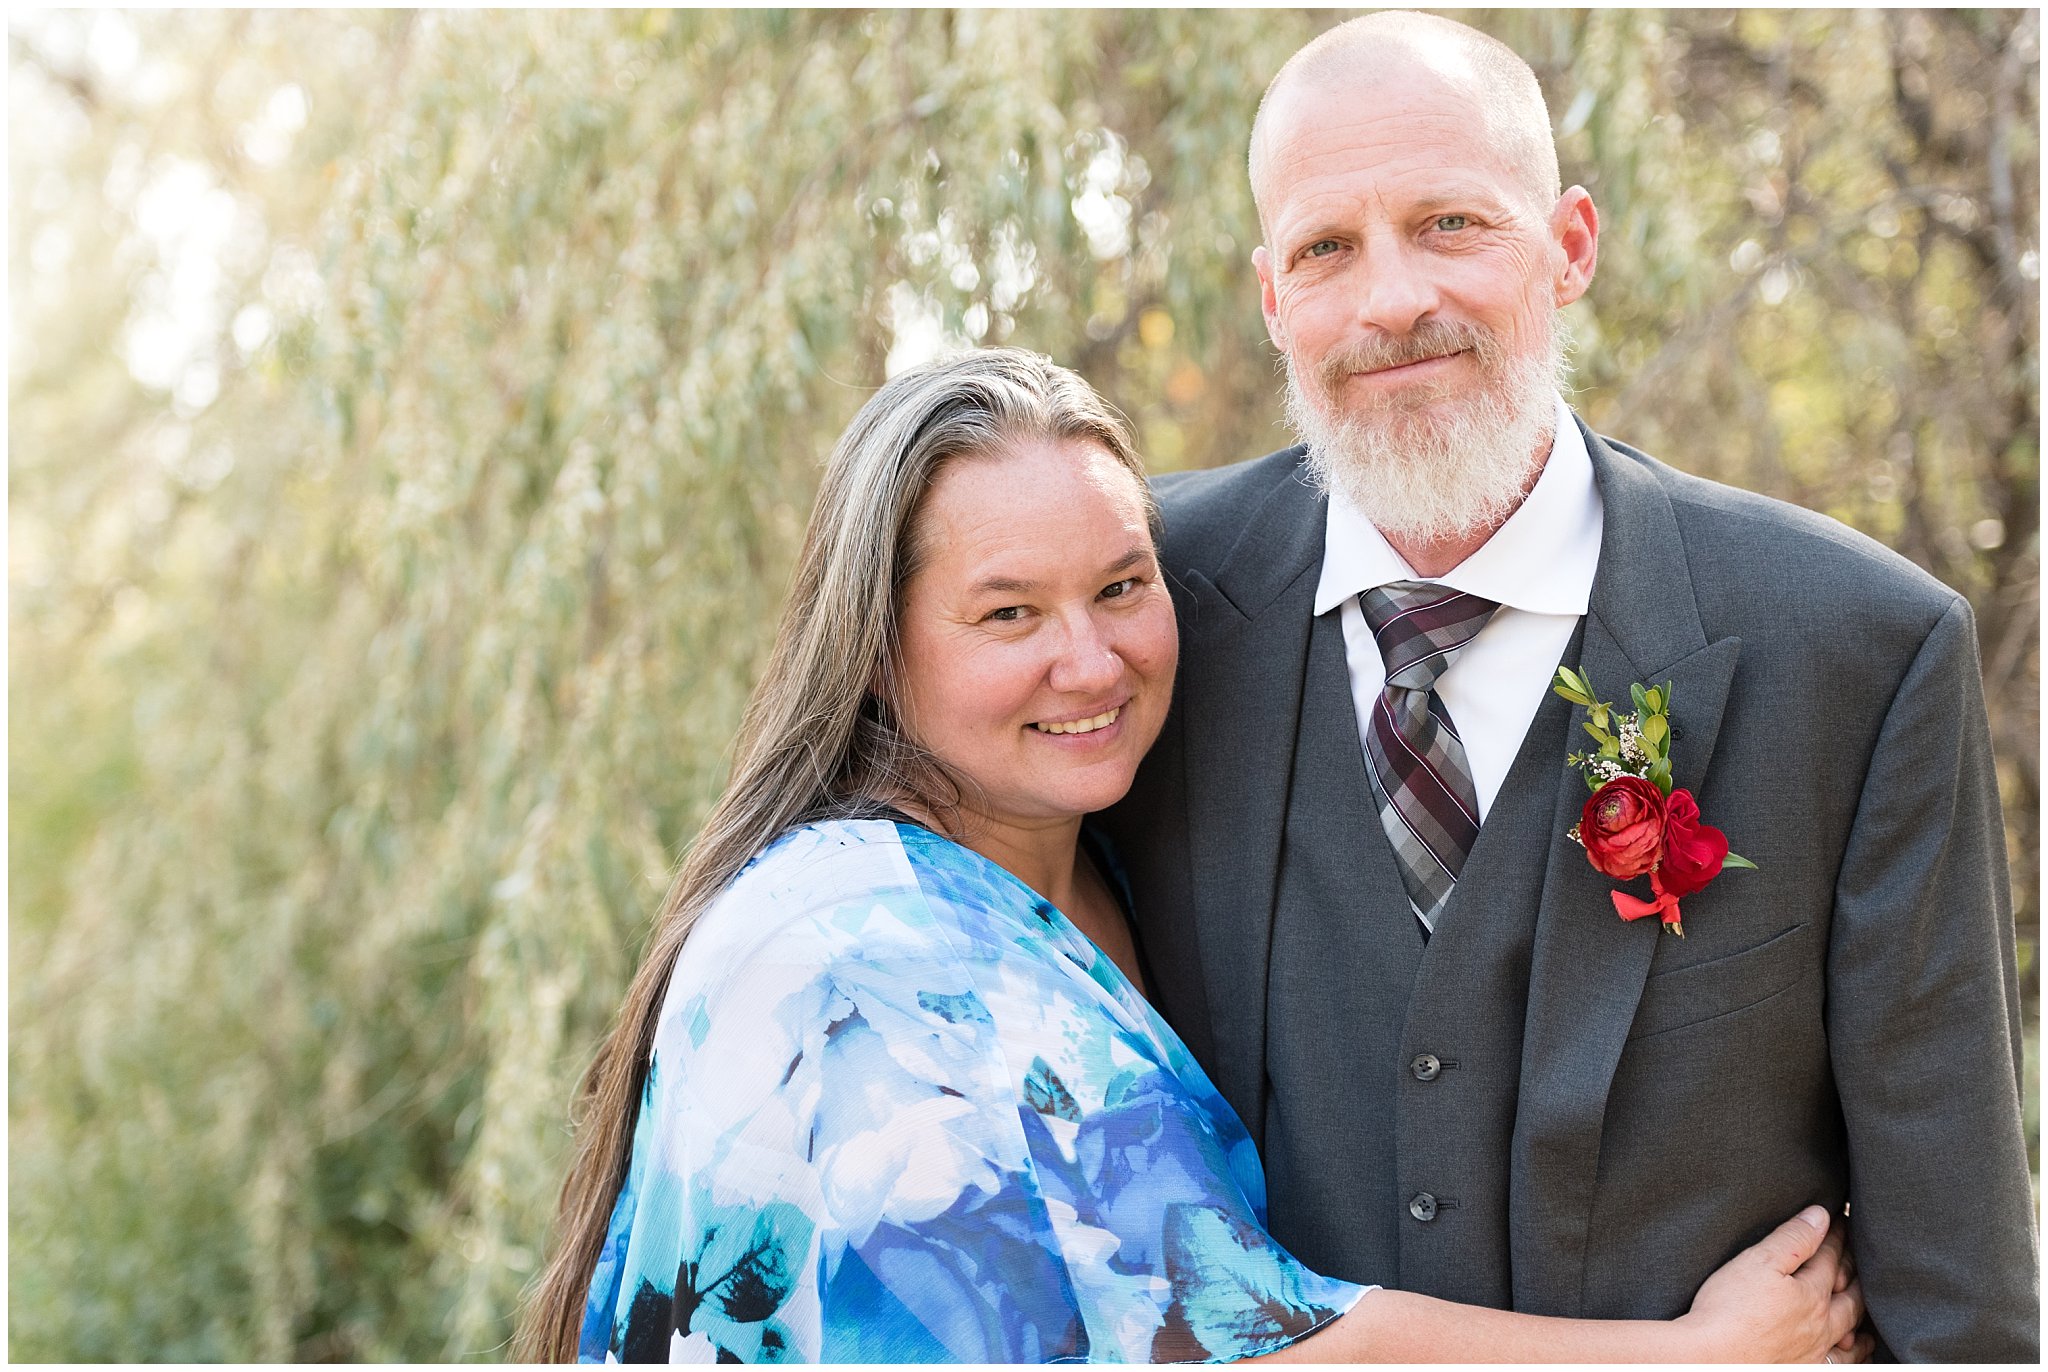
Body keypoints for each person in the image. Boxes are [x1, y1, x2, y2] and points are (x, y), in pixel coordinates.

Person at [516, 349, 1867, 1363]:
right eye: (1007, 614)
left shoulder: (1089, 872)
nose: (1091, 662)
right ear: (875, 650)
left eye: (1120, 586)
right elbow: (1225, 1336)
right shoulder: (856, 949)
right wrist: (1688, 1359)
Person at [1095, 12, 2037, 1362]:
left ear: (1571, 245)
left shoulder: (1858, 653)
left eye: (1450, 224)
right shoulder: (1139, 613)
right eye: (1326, 249)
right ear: (1270, 301)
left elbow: (1961, 1297)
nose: (1390, 300)